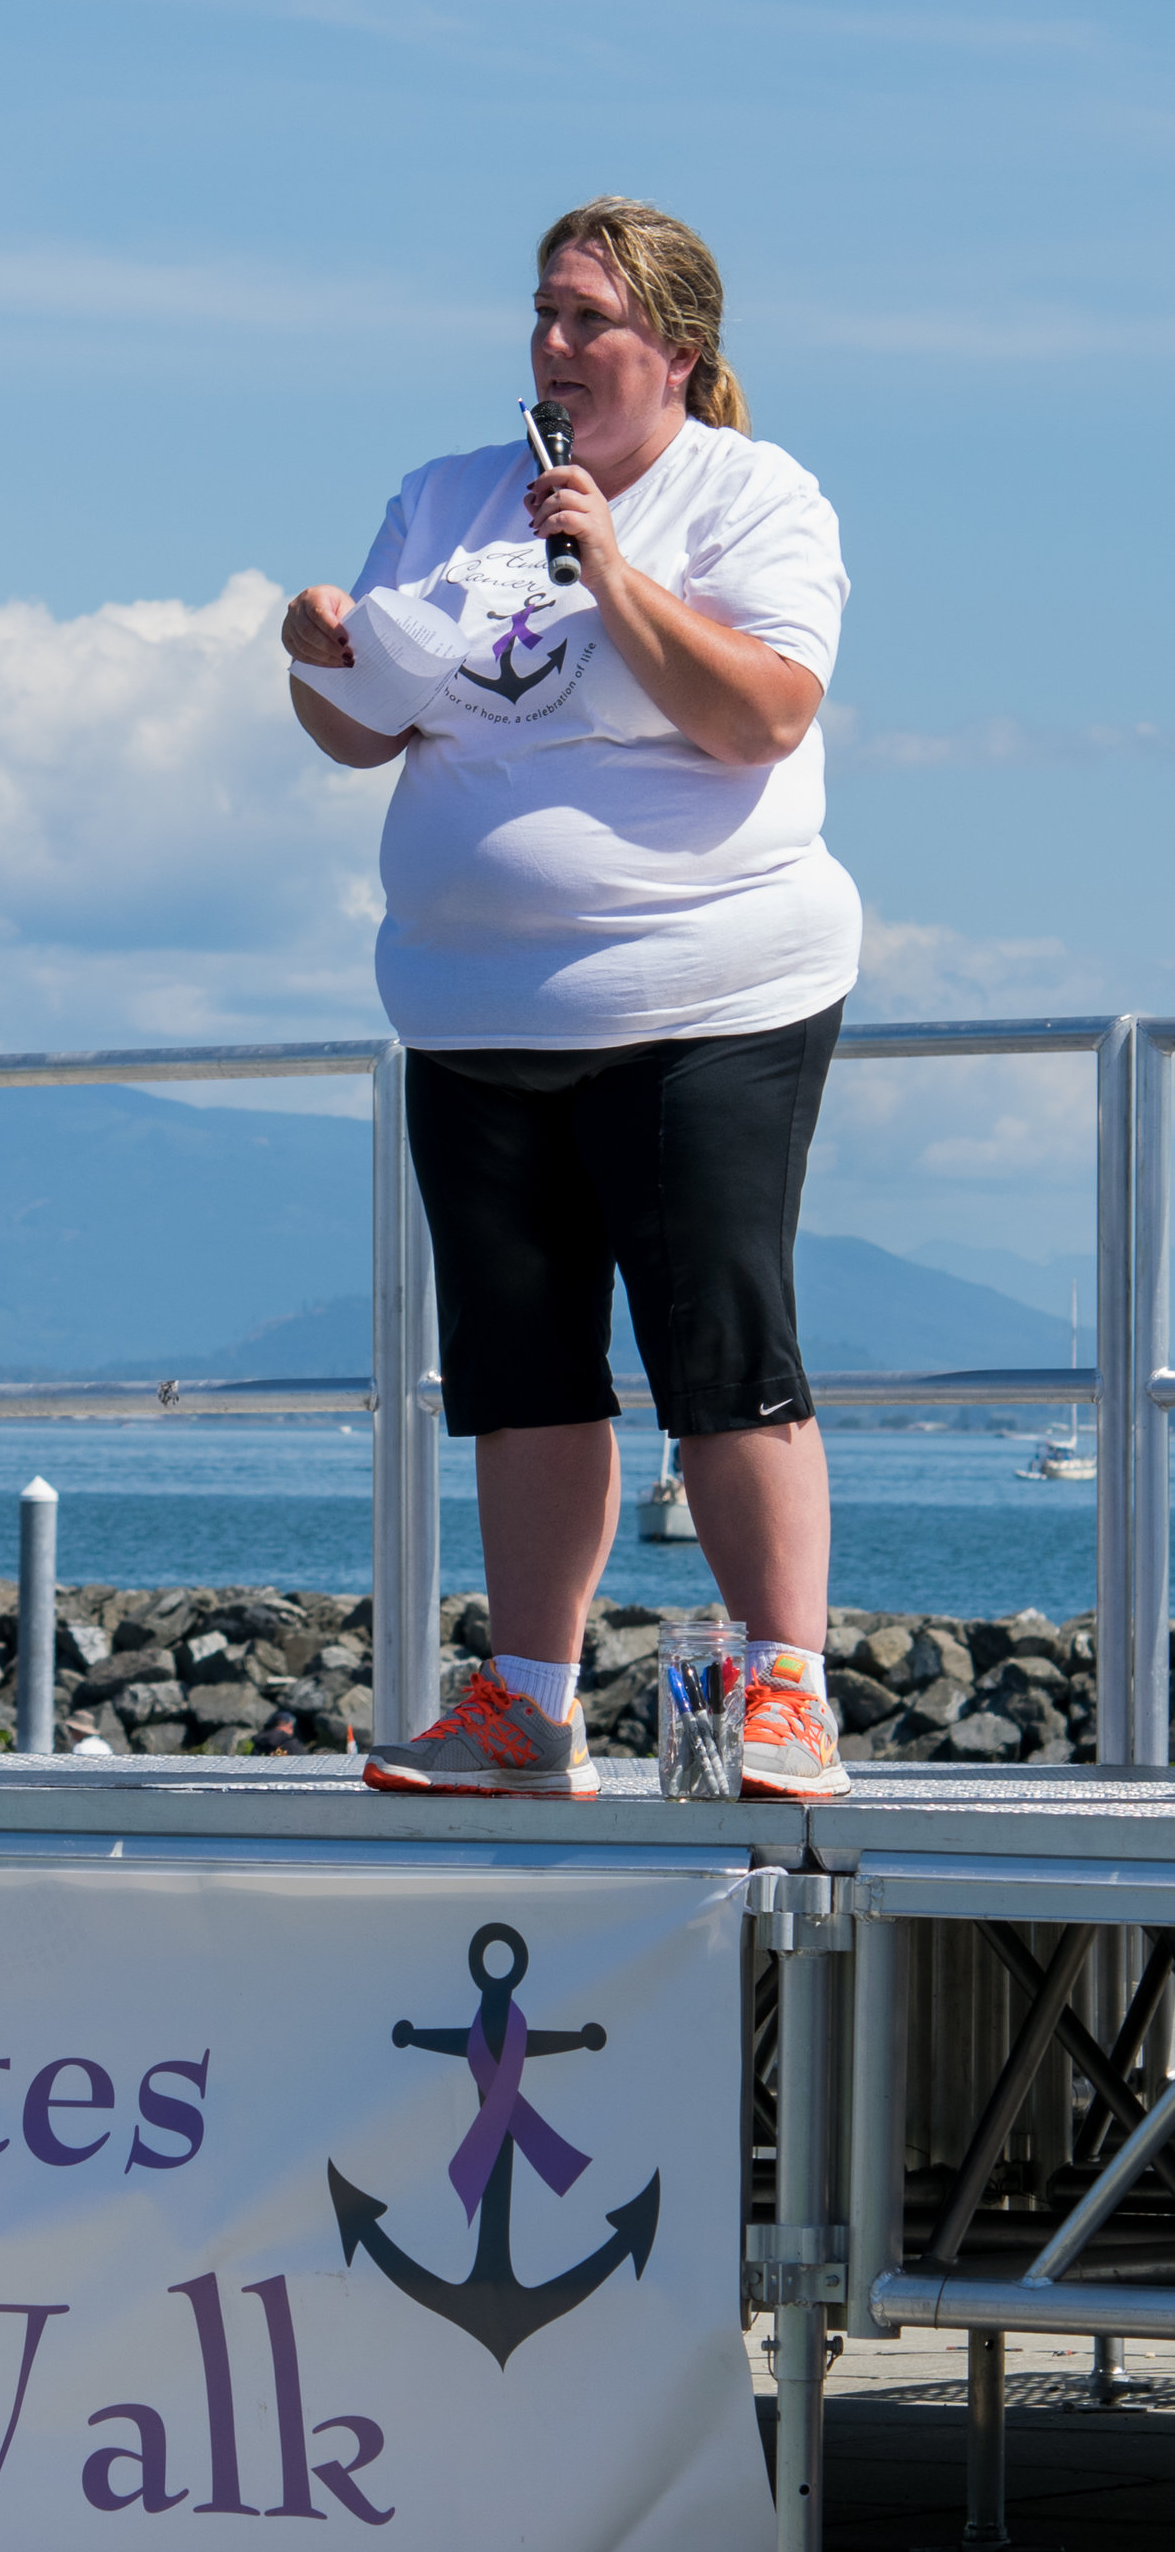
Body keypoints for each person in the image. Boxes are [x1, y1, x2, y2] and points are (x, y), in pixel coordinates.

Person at [284, 198, 857, 1799]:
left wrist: (608, 561)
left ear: (677, 349)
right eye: (541, 313)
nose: (551, 345)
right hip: (475, 1011)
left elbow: (760, 717)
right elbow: (362, 731)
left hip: (709, 991)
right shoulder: (448, 497)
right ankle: (526, 1704)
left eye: (588, 319)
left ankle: (785, 1687)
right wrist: (314, 650)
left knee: (721, 1346)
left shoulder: (755, 499)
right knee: (518, 1366)